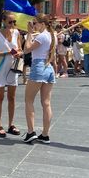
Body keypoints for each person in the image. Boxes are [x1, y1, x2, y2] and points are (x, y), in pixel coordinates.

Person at [23, 14, 56, 144]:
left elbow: (26, 49)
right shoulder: (51, 36)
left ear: (42, 24)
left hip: (38, 66)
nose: (34, 25)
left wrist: (29, 34)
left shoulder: (41, 36)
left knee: (29, 101)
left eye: (35, 23)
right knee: (46, 103)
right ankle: (45, 134)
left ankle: (31, 132)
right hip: (48, 68)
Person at [0, 13, 23, 138]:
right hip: (0, 69)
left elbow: (19, 49)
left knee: (12, 97)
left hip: (12, 68)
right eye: (10, 22)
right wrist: (8, 52)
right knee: (0, 97)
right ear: (3, 21)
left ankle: (11, 124)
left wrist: (17, 53)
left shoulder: (16, 33)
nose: (13, 25)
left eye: (14, 22)